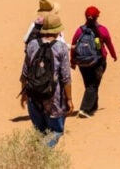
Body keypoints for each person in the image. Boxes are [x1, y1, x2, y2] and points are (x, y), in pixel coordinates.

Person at [20, 13, 72, 147]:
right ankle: (39, 155)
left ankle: (38, 159)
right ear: (58, 30)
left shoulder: (32, 45)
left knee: (40, 133)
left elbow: (25, 73)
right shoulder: (61, 48)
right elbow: (66, 77)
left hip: (34, 97)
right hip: (53, 100)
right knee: (56, 131)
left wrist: (23, 93)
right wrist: (69, 99)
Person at [70, 6, 117, 118]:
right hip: (98, 62)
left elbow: (73, 45)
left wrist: (73, 61)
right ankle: (85, 109)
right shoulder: (102, 30)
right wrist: (114, 55)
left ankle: (93, 107)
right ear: (97, 17)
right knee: (93, 85)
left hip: (82, 62)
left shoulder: (80, 30)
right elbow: (109, 44)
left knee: (89, 84)